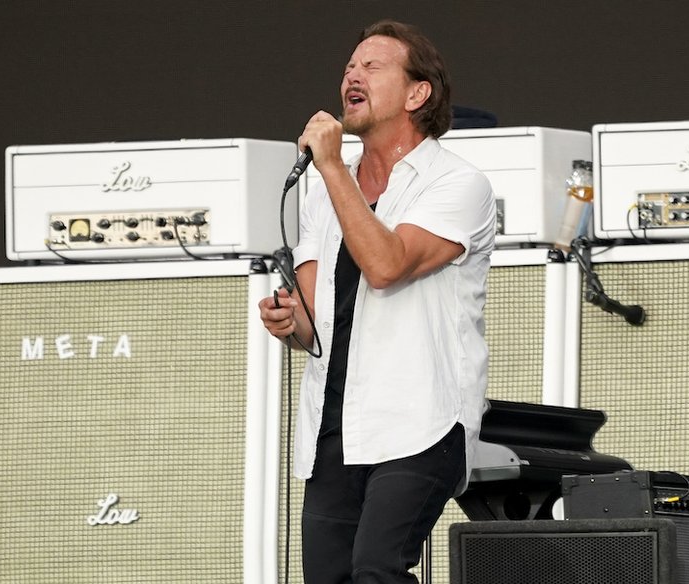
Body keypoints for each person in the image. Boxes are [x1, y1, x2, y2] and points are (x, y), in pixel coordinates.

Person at [258, 19, 496, 584]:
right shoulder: (324, 191)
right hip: (334, 426)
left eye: (372, 66)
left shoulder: (457, 183)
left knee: (376, 570)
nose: (351, 76)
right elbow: (312, 326)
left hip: (421, 421)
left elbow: (387, 265)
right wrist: (289, 321)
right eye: (348, 67)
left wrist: (333, 166)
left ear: (418, 93)